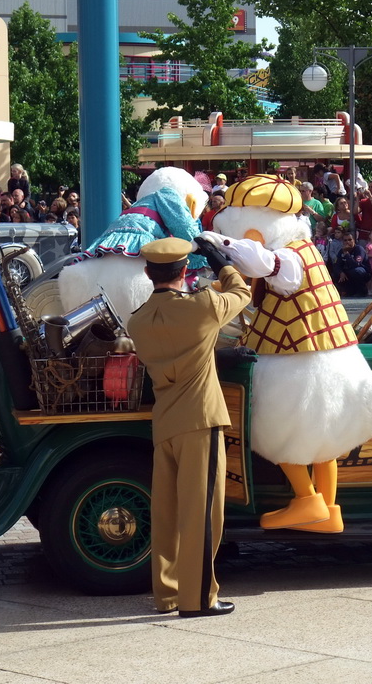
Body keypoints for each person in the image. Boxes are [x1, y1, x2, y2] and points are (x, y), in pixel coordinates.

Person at [125, 237, 252, 618]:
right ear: (185, 271)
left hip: (165, 421)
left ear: (148, 273)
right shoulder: (203, 306)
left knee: (167, 513)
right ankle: (198, 599)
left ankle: (167, 594)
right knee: (202, 513)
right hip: (200, 418)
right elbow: (242, 291)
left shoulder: (138, 320)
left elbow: (177, 348)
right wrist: (220, 262)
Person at [335, 232, 371, 297]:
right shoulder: (341, 251)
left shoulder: (359, 249)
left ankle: (362, 291)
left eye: (349, 240)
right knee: (334, 274)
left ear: (353, 240)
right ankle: (347, 290)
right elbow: (337, 265)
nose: (347, 242)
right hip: (348, 273)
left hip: (363, 272)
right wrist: (341, 272)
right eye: (345, 240)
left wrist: (347, 254)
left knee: (356, 271)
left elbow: (356, 264)